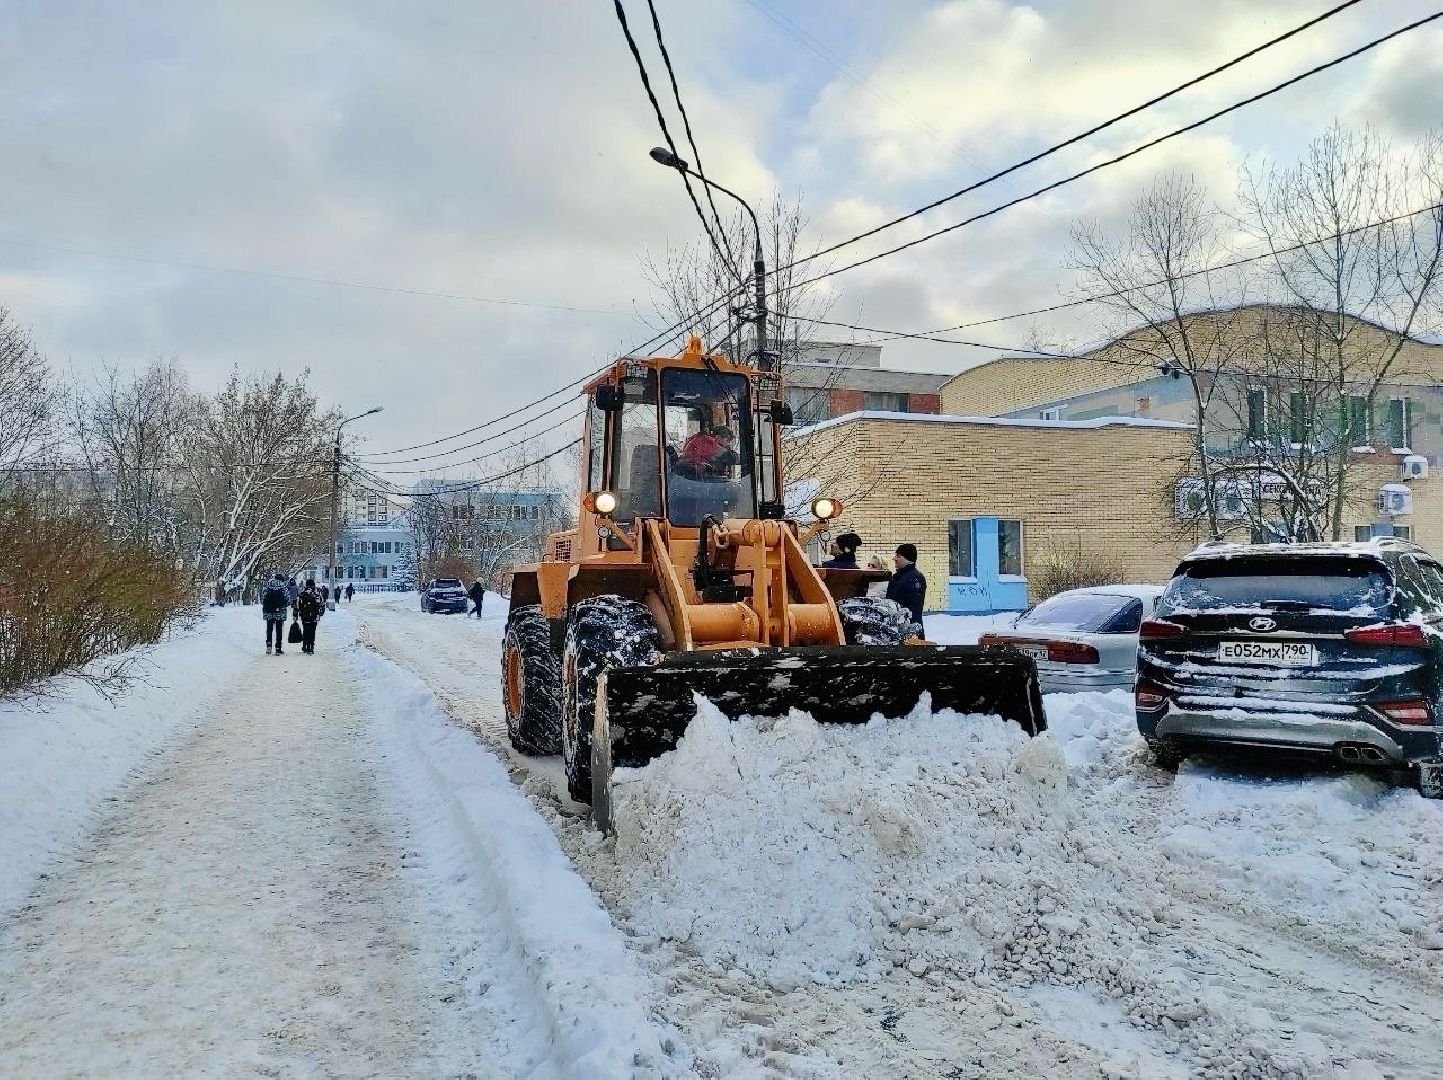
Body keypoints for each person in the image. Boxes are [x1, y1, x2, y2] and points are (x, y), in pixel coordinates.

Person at [871, 543, 927, 635]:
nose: (895, 559)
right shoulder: (898, 576)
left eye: (898, 556)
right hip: (896, 626)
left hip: (908, 629)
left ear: (908, 559)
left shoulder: (915, 578)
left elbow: (912, 607)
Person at [261, 572, 290, 655]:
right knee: (279, 629)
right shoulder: (283, 586)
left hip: (269, 611)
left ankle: (269, 645)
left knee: (269, 629)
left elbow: (263, 597)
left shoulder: (268, 585)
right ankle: (278, 648)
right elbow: (287, 599)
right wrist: (283, 605)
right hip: (280, 611)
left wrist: (267, 606)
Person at [296, 580, 323, 654]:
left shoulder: (302, 593)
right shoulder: (316, 593)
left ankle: (305, 646)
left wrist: (296, 613)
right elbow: (321, 603)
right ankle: (311, 646)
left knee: (305, 630)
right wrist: (320, 613)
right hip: (314, 616)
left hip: (304, 616)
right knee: (312, 631)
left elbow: (298, 604)